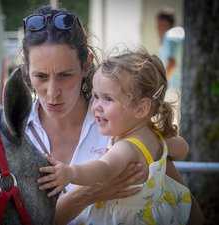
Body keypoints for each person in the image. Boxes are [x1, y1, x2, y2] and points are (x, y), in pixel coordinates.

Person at [21, 5, 203, 225]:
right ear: (26, 72)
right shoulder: (12, 132)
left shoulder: (120, 123)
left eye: (65, 75)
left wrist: (161, 140)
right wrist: (90, 194)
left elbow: (192, 212)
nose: (52, 93)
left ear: (87, 65)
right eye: (40, 76)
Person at [38, 47, 192, 224]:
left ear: (141, 108)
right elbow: (182, 148)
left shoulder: (127, 147)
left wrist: (71, 173)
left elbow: (104, 169)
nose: (97, 106)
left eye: (108, 99)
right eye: (96, 96)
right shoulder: (156, 137)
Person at [156, 7, 185, 125]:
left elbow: (171, 63)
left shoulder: (170, 37)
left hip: (171, 90)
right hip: (181, 88)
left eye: (158, 25)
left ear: (164, 23)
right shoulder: (180, 33)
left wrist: (161, 84)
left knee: (169, 124)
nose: (156, 29)